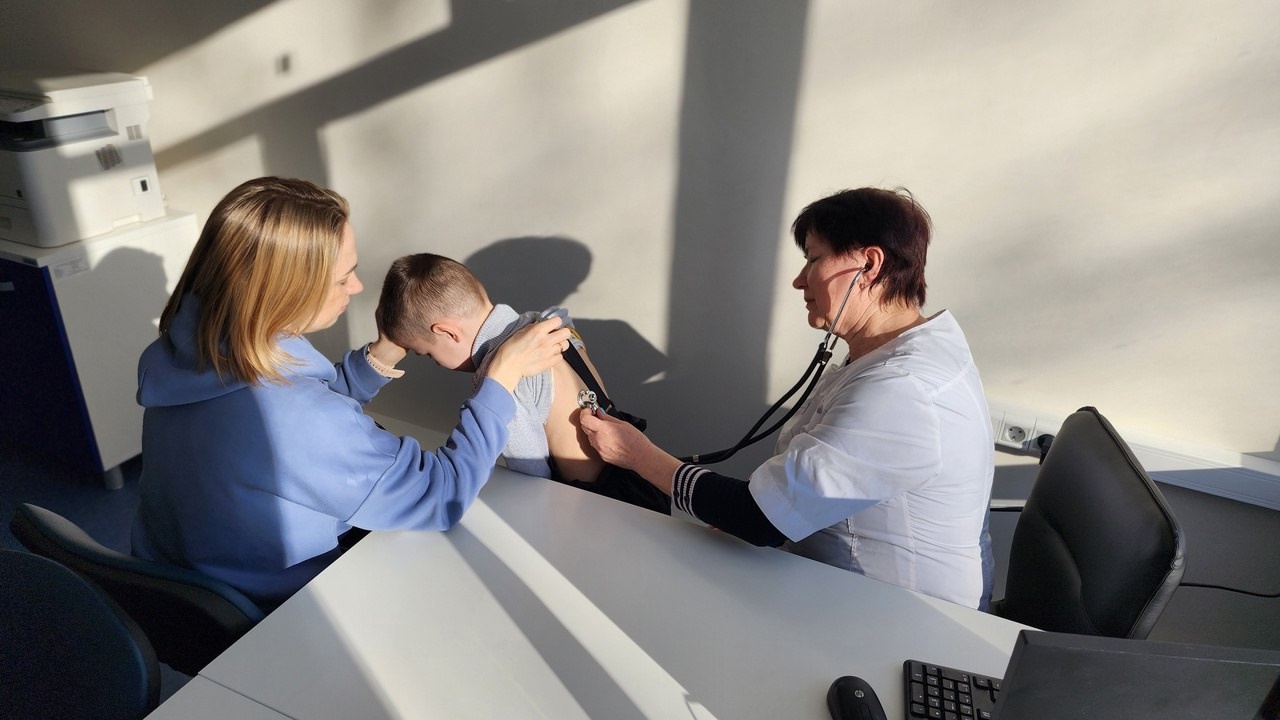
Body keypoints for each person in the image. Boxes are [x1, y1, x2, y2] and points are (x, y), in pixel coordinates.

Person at [131, 177, 571, 610]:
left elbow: (303, 407)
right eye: (343, 279)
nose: (357, 287)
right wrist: (500, 379)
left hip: (182, 594)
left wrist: (385, 350)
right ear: (287, 290)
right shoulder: (300, 420)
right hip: (280, 615)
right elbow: (440, 497)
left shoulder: (182, 354)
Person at [580, 187, 995, 609]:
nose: (800, 280)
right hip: (844, 589)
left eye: (813, 259)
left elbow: (758, 518)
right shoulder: (899, 356)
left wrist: (637, 455)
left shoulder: (903, 387)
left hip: (898, 618)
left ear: (868, 265)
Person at [377, 253, 670, 514]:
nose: (436, 363)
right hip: (642, 473)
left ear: (447, 333)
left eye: (428, 354)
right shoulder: (551, 323)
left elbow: (532, 477)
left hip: (606, 508)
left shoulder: (504, 381)